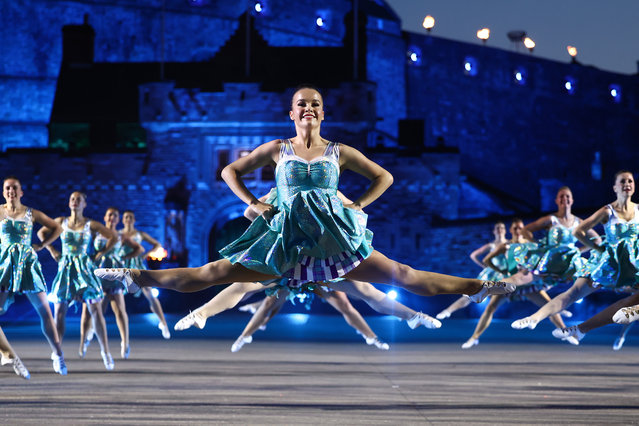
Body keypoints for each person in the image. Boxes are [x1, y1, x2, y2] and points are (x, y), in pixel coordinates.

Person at [96, 86, 514, 307]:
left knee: (401, 275)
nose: (309, 108)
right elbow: (228, 170)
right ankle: (134, 278)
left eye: (315, 103)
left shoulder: (340, 152)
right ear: (292, 114)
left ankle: (479, 286)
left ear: (323, 112)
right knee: (213, 273)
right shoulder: (278, 149)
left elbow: (384, 177)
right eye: (302, 104)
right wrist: (256, 203)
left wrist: (358, 205)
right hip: (283, 239)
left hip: (332, 240)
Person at [512, 170, 638, 332]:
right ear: (615, 187)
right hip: (609, 263)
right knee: (574, 292)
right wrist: (597, 248)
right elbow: (579, 231)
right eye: (623, 181)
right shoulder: (608, 211)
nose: (627, 184)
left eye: (630, 181)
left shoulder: (638, 211)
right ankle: (533, 318)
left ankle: (583, 330)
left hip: (633, 264)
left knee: (631, 301)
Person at [460, 218, 576, 348]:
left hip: (527, 283)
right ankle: (474, 338)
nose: (517, 230)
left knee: (548, 305)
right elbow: (487, 260)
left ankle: (565, 332)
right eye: (515, 228)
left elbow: (542, 259)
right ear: (510, 230)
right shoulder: (506, 245)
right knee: (490, 308)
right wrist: (501, 270)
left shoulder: (529, 244)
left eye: (520, 227)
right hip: (510, 283)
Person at [39, 191, 116, 370]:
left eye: (78, 199)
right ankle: (58, 354)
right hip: (66, 267)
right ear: (69, 203)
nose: (75, 201)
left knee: (95, 309)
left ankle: (106, 352)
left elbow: (113, 237)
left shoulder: (91, 224)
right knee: (59, 312)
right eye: (72, 199)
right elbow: (42, 232)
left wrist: (100, 253)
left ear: (84, 204)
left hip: (84, 268)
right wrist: (51, 250)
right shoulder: (60, 222)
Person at [0, 176, 67, 375]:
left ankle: (58, 354)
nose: (11, 191)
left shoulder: (31, 213)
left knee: (45, 310)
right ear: (4, 192)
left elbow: (58, 228)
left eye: (15, 188)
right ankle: (8, 355)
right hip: (5, 265)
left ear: (21, 192)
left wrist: (43, 246)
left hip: (27, 264)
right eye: (7, 188)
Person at [229, 287, 391, 352]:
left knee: (344, 305)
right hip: (296, 270)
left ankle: (372, 337)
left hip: (318, 271)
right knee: (270, 302)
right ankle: (244, 336)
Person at [83, 207, 142, 359]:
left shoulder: (121, 235)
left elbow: (139, 249)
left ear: (118, 219)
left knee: (120, 310)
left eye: (115, 216)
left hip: (114, 273)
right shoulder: (97, 233)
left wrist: (125, 257)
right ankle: (88, 337)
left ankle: (125, 342)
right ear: (105, 217)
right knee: (95, 309)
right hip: (97, 273)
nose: (112, 218)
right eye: (110, 215)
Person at [436, 222, 508, 320]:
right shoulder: (491, 245)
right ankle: (447, 311)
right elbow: (473, 255)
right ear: (494, 231)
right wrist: (484, 266)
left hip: (504, 275)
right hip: (490, 273)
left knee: (503, 296)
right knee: (470, 295)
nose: (500, 229)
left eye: (502, 227)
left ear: (505, 230)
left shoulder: (509, 244)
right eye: (498, 228)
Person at [120, 210, 171, 339]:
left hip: (137, 266)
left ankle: (163, 323)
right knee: (110, 294)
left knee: (150, 294)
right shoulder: (119, 234)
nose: (128, 219)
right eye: (126, 217)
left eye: (131, 217)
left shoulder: (139, 234)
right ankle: (93, 325)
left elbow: (157, 244)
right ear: (123, 220)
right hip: (122, 266)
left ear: (134, 220)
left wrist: (145, 255)